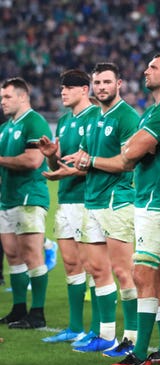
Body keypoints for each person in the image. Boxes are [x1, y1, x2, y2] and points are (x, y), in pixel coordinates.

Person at [71, 53, 160, 365]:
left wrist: (134, 148)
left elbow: (130, 155)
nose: (145, 70)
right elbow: (133, 150)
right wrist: (134, 148)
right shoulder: (155, 110)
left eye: (153, 67)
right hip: (154, 198)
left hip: (158, 201)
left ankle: (138, 352)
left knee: (141, 273)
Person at [38, 69, 101, 344]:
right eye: (62, 87)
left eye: (68, 87)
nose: (62, 92)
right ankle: (75, 327)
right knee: (72, 265)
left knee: (96, 267)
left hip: (88, 201)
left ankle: (98, 329)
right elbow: (59, 165)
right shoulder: (63, 122)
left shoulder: (96, 117)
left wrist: (64, 172)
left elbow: (97, 165)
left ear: (84, 89)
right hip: (65, 200)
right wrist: (52, 158)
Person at [0, 78, 51, 329]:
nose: (2, 102)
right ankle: (19, 309)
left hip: (29, 196)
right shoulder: (6, 128)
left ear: (22, 97)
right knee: (12, 255)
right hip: (7, 198)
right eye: (1, 98)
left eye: (7, 97)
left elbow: (32, 160)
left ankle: (38, 313)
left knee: (32, 254)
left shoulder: (35, 122)